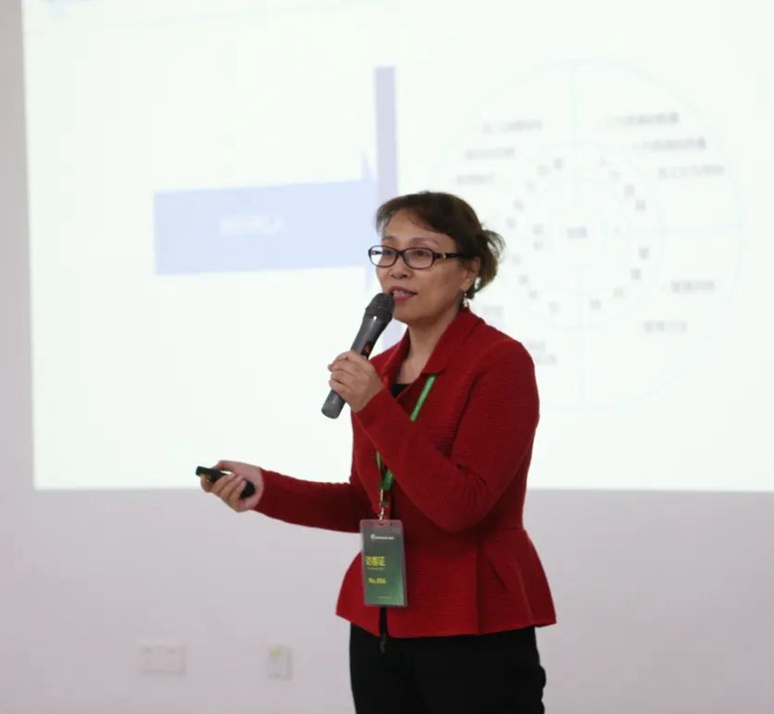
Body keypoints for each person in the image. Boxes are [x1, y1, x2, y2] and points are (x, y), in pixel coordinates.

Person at [201, 191, 556, 714]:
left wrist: (373, 406)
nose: (397, 268)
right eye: (387, 252)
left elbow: (460, 507)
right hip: (381, 622)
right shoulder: (381, 369)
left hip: (471, 619)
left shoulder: (500, 362)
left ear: (468, 273)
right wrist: (266, 490)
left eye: (422, 253)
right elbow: (366, 504)